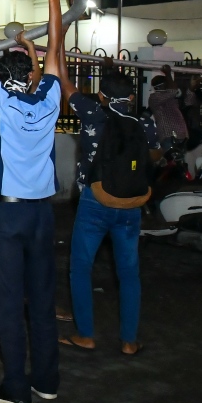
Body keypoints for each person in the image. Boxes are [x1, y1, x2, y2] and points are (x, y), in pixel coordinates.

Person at [0, 0, 70, 403]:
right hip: (43, 214)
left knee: (9, 302)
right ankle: (46, 380)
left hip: (9, 216)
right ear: (31, 75)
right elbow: (57, 51)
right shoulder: (48, 100)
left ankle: (15, 387)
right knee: (43, 299)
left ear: (0, 76)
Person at [58, 69, 158, 356]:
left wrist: (58, 48)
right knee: (129, 273)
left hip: (95, 201)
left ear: (101, 95)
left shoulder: (93, 114)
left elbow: (65, 84)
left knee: (81, 268)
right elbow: (155, 155)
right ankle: (129, 341)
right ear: (132, 97)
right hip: (131, 204)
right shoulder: (145, 123)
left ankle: (86, 335)